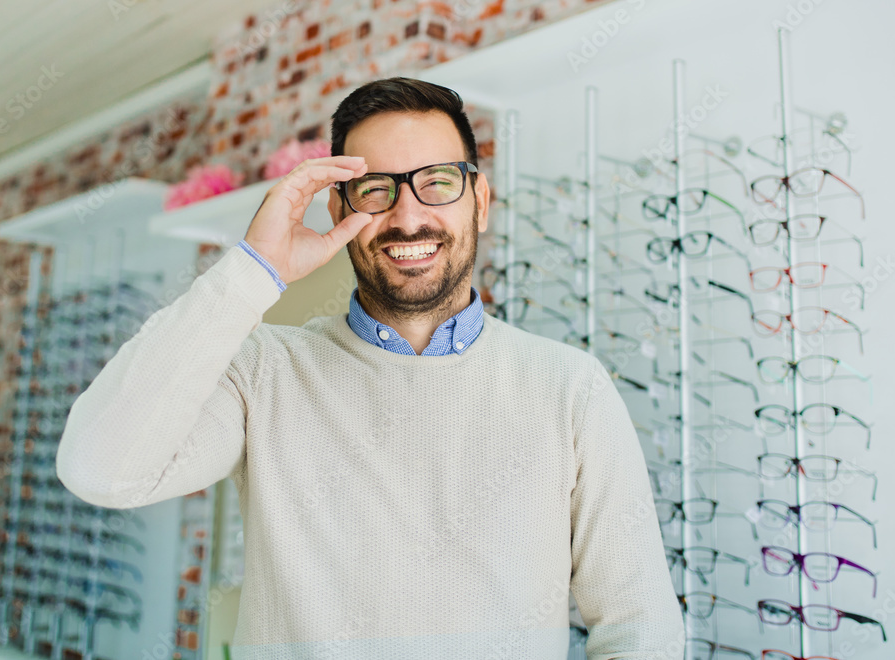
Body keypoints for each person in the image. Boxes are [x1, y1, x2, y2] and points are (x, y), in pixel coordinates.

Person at [56, 76, 684, 659]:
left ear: (480, 201)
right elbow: (102, 470)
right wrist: (252, 270)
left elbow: (639, 624)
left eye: (437, 181)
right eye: (376, 189)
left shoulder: (569, 388)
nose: (408, 217)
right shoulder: (265, 372)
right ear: (338, 213)